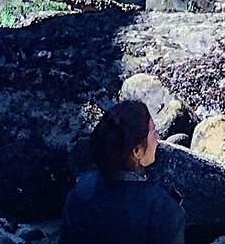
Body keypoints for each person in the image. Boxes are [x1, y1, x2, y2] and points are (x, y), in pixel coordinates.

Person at [62, 100, 185, 244]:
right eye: (153, 131)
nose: (158, 138)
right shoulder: (162, 207)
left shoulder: (81, 190)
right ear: (137, 151)